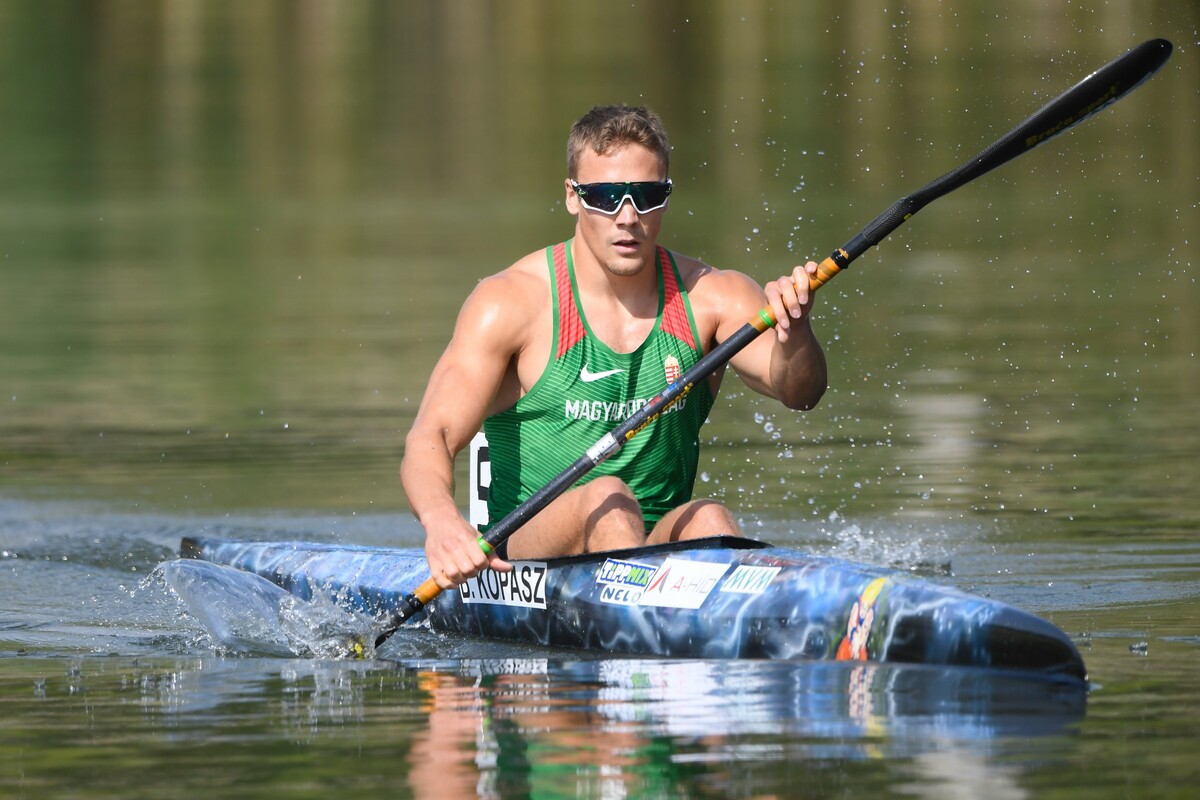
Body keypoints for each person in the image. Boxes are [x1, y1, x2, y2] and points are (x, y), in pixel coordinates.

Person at [401, 104, 827, 589]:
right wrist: (442, 524)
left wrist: (796, 331)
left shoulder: (714, 297)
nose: (628, 217)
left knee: (709, 518)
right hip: (526, 555)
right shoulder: (511, 303)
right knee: (607, 497)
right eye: (605, 197)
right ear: (572, 196)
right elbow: (430, 437)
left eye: (646, 196)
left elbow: (800, 393)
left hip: (653, 545)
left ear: (666, 198)